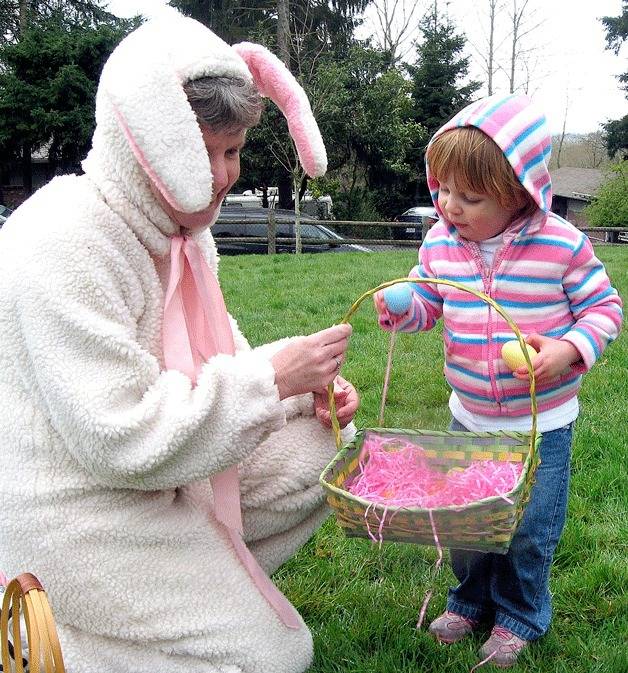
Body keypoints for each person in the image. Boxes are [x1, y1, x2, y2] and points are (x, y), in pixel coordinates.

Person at [0, 11, 359, 673]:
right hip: (76, 509)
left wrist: (302, 387)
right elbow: (120, 435)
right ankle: (59, 639)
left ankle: (184, 594)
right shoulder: (63, 240)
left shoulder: (185, 237)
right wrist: (274, 378)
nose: (225, 175)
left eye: (234, 150)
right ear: (148, 140)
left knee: (321, 445)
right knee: (275, 653)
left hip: (159, 479)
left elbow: (216, 364)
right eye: (207, 151)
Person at [374, 93, 623, 668]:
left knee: (529, 528)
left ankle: (519, 614)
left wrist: (566, 350)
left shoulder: (560, 244)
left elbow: (605, 309)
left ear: (518, 191)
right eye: (442, 188)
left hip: (542, 423)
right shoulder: (439, 241)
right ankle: (468, 599)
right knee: (468, 523)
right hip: (470, 413)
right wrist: (405, 304)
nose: (449, 206)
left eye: (470, 196)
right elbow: (430, 303)